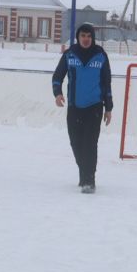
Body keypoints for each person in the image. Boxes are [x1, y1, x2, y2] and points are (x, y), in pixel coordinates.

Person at [51, 23, 113, 193]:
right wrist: (58, 93)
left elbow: (107, 83)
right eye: (83, 36)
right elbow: (57, 76)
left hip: (94, 107)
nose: (86, 39)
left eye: (89, 36)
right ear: (78, 38)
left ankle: (89, 180)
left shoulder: (100, 55)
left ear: (93, 38)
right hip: (74, 107)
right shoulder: (69, 54)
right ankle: (83, 174)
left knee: (90, 144)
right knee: (76, 143)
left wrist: (108, 108)